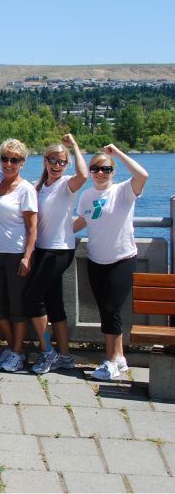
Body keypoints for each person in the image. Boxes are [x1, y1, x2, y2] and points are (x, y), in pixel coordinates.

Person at [74, 144, 148, 381]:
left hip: (121, 260)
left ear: (112, 171)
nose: (99, 173)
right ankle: (119, 359)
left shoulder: (123, 191)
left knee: (111, 310)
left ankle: (111, 360)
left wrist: (117, 153)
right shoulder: (87, 195)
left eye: (105, 169)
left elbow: (142, 175)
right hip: (96, 260)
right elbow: (80, 223)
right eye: (95, 168)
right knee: (106, 312)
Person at [26, 134, 88, 374]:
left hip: (60, 250)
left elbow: (84, 176)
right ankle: (65, 355)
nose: (57, 165)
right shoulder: (39, 186)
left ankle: (47, 352)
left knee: (32, 298)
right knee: (54, 304)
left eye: (62, 162)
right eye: (53, 160)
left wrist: (74, 145)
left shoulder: (66, 185)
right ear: (45, 161)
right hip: (42, 249)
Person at [0, 138, 38, 373]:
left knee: (16, 307)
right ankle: (13, 348)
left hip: (15, 254)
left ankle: (17, 353)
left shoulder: (26, 190)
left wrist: (27, 256)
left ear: (22, 163)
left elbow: (32, 227)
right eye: (5, 158)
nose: (8, 164)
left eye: (14, 160)